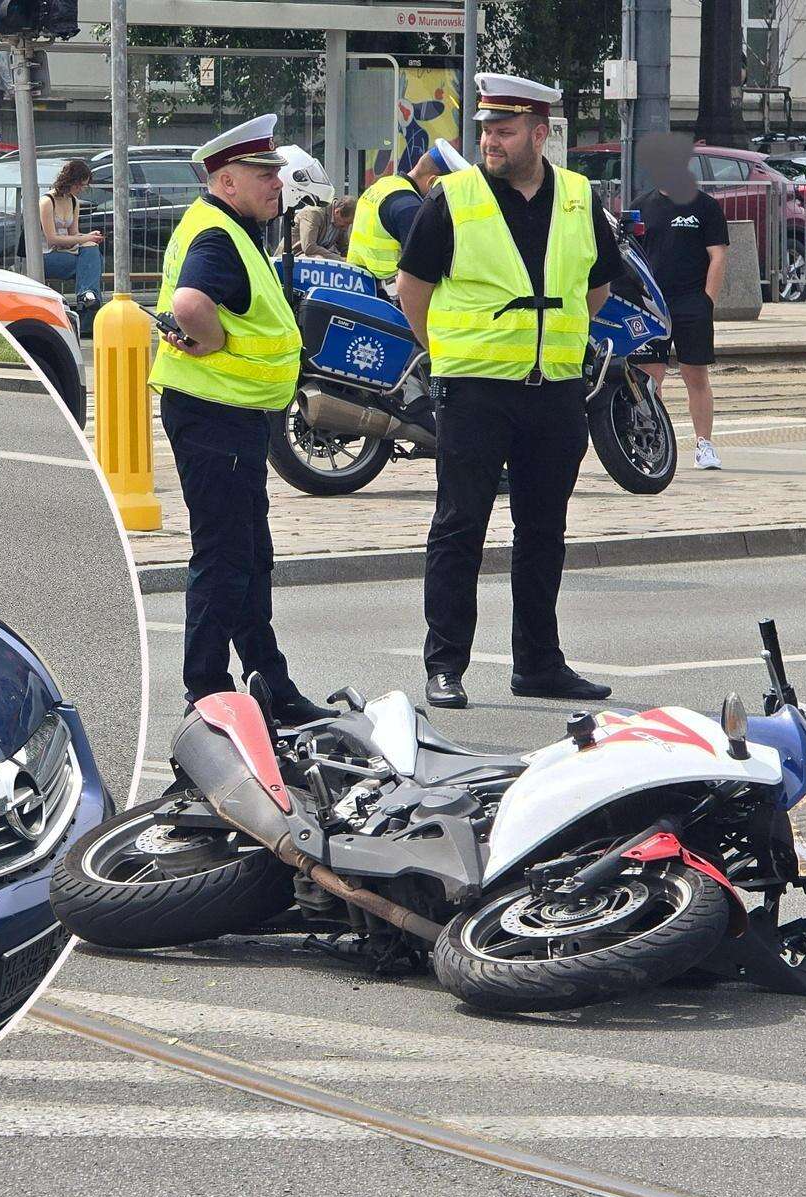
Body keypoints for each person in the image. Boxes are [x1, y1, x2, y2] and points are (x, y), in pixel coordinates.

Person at [393, 74, 624, 710]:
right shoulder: (453, 198)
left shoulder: (579, 198)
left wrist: (554, 340)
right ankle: (445, 666)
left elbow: (596, 287)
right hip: (474, 391)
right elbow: (411, 287)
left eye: (504, 130)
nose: (490, 141)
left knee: (544, 530)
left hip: (553, 391)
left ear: (540, 135)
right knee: (460, 525)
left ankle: (538, 664)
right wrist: (448, 356)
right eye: (487, 131)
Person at [150, 114, 339, 725]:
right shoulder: (218, 237)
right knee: (226, 558)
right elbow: (189, 302)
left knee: (249, 557)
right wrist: (204, 343)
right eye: (263, 174)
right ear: (226, 180)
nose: (276, 183)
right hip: (216, 418)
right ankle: (207, 692)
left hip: (230, 419)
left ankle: (268, 686)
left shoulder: (232, 229)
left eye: (276, 172)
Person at [631, 134, 728, 470]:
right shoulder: (642, 206)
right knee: (648, 377)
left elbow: (717, 256)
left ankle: (704, 444)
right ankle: (655, 442)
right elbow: (628, 255)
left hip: (691, 303)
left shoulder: (705, 206)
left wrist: (707, 301)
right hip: (652, 305)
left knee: (695, 375)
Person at [349, 138, 471, 285]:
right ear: (432, 181)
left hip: (358, 282)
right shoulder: (411, 208)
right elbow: (422, 269)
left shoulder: (383, 185)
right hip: (390, 293)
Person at [39, 158, 104, 314]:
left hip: (67, 251)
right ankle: (87, 303)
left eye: (84, 185)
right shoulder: (47, 202)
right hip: (46, 255)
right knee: (93, 264)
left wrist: (88, 237)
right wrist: (84, 239)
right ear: (70, 181)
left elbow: (73, 234)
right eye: (79, 185)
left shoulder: (74, 201)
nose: (81, 189)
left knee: (92, 251)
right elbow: (52, 239)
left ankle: (88, 298)